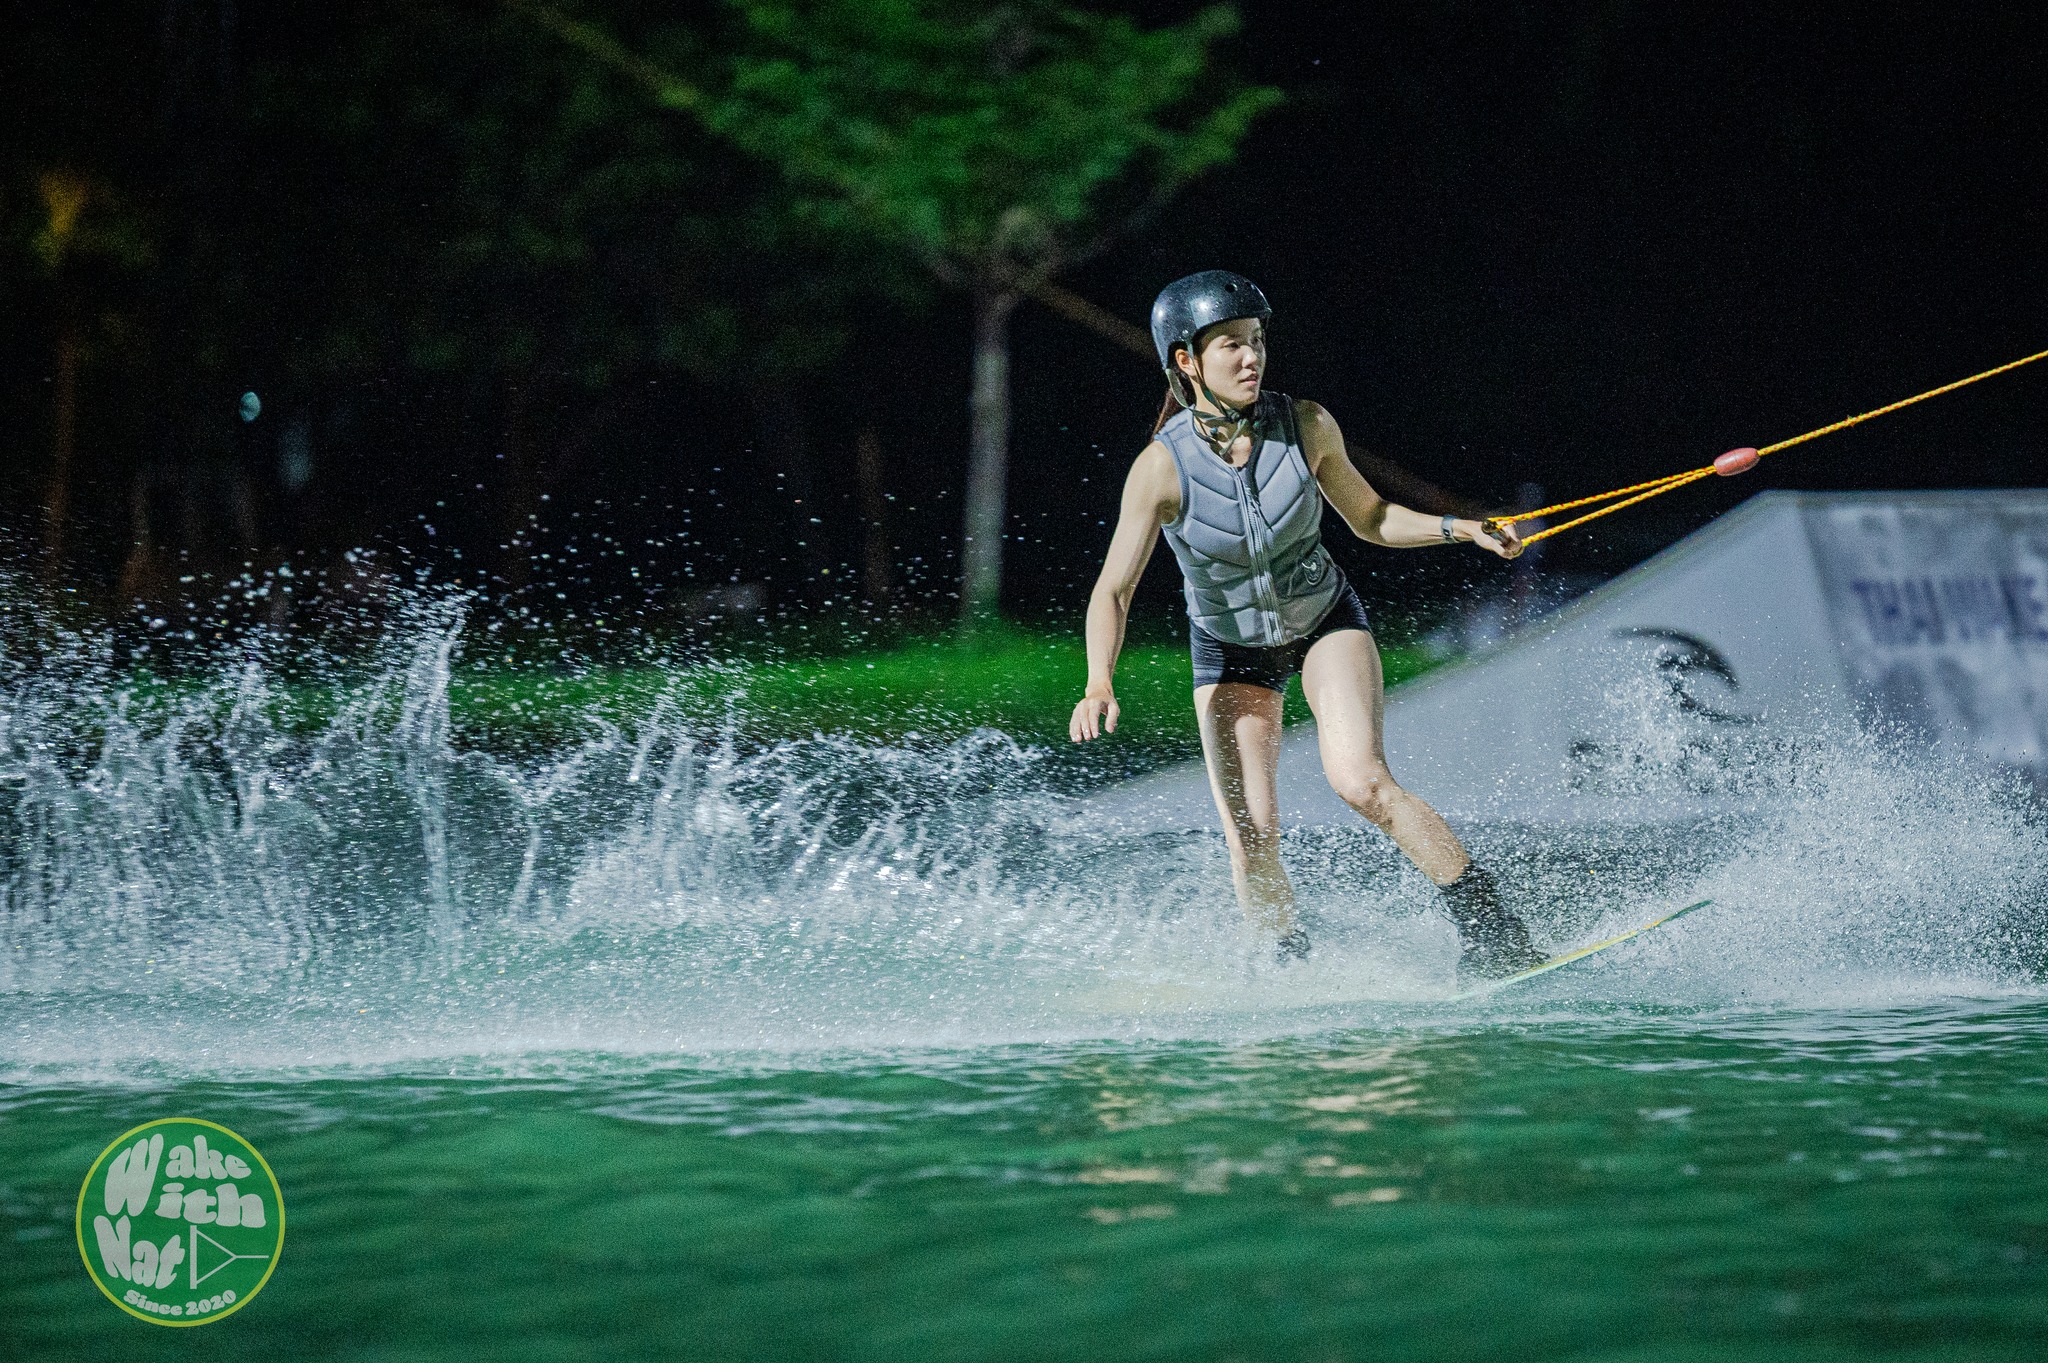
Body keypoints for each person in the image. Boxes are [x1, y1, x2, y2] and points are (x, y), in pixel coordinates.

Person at [1069, 269, 1545, 979]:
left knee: (1361, 781)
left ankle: (1497, 933)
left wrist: (1462, 530)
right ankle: (1287, 969)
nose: (1251, 357)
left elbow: (1373, 518)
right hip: (1230, 650)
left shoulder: (1307, 424)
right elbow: (1114, 588)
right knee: (1252, 834)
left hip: (1324, 621)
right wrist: (1098, 679)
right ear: (1185, 361)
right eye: (1229, 344)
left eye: (1256, 341)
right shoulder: (1160, 469)